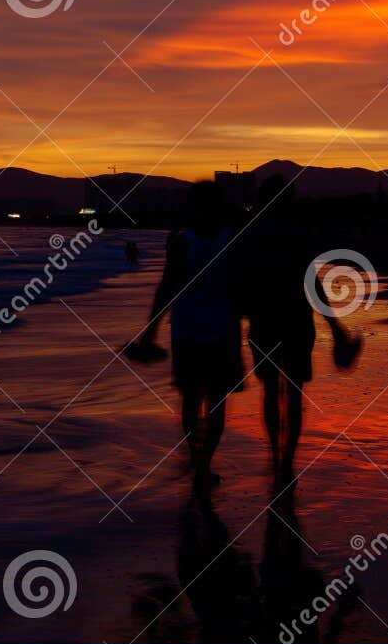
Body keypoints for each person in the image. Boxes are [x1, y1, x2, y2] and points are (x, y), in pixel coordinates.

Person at [235, 177, 362, 493]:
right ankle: (287, 461)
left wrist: (236, 317)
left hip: (264, 320)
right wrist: (334, 326)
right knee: (293, 393)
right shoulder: (296, 232)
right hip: (296, 320)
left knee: (270, 391)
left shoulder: (251, 233)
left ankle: (275, 456)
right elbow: (312, 282)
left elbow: (241, 281)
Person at [125, 181, 244, 498]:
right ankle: (203, 463)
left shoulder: (183, 241)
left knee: (191, 400)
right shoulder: (231, 239)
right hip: (222, 331)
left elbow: (166, 288)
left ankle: (196, 459)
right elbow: (243, 287)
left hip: (187, 331)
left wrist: (150, 332)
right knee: (216, 402)